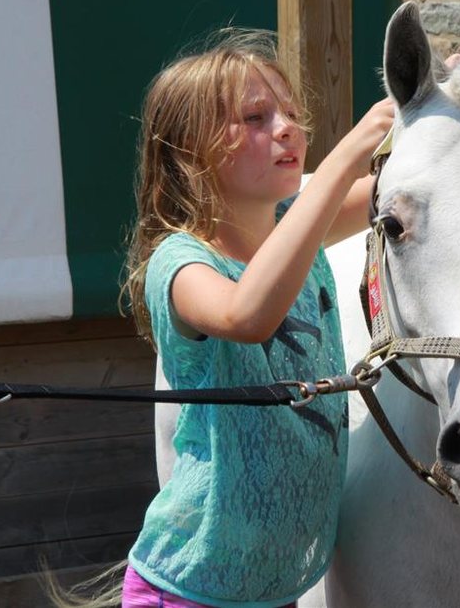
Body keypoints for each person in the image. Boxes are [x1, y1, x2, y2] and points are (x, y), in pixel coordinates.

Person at [116, 30, 393, 608]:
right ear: (192, 150)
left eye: (291, 113)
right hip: (186, 590)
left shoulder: (295, 222)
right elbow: (248, 315)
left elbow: (402, 193)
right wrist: (343, 159)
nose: (287, 127)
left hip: (269, 591)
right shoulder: (180, 263)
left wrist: (437, 110)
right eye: (255, 116)